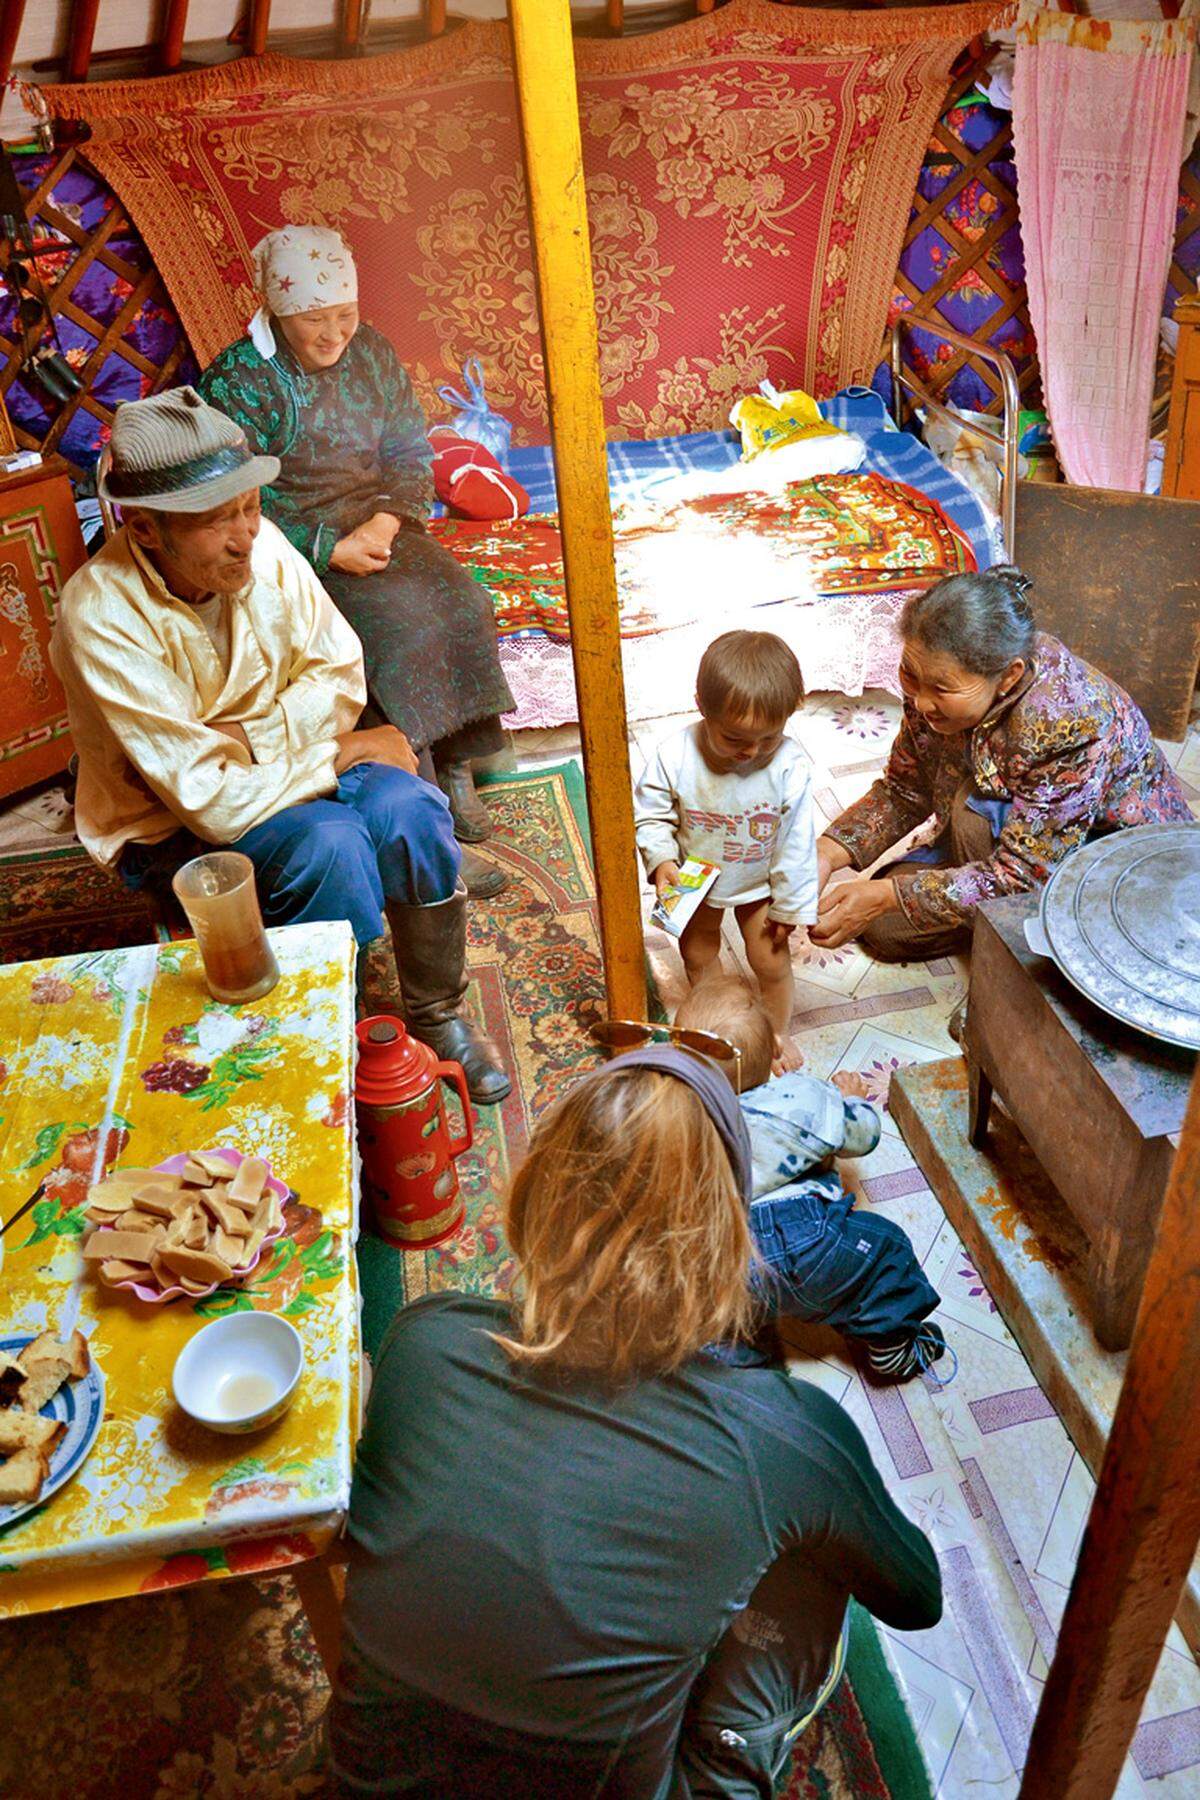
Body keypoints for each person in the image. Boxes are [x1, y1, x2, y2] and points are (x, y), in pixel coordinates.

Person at [330, 1047, 942, 1798]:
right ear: (732, 1244)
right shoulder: (786, 1434)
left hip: (368, 1787)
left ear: (532, 1198)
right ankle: (723, 1757)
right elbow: (916, 1596)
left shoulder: (425, 1336)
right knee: (811, 1554)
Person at [51, 387, 509, 1104]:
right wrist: (333, 753)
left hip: (274, 770)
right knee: (332, 843)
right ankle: (339, 1036)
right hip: (172, 820)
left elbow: (339, 673)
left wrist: (248, 736)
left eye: (250, 507)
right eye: (214, 519)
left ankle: (437, 1014)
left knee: (412, 811)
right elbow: (211, 802)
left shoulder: (261, 546)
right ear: (143, 529)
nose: (244, 535)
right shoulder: (98, 615)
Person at [196, 224, 515, 886]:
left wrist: (388, 521)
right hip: (291, 542)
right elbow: (231, 494)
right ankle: (421, 797)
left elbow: (408, 447)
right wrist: (327, 548)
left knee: (463, 601)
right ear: (281, 313)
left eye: (345, 315)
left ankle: (456, 765)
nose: (335, 334)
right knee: (390, 628)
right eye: (316, 319)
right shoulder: (240, 379)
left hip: (377, 520)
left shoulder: (371, 351)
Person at [812, 565, 1193, 962]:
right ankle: (982, 903)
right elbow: (905, 790)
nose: (921, 702)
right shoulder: (930, 679)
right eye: (911, 675)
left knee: (969, 812)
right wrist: (827, 851)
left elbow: (1027, 875)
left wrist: (892, 895)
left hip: (1108, 863)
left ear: (1009, 677)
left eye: (941, 688)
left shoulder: (1067, 722)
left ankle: (1018, 941)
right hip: (1017, 837)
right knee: (883, 929)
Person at [675, 977, 948, 1384]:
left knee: (710, 1305)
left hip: (730, 1260)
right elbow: (864, 1136)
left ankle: (731, 1364)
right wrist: (850, 1099)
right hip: (812, 1242)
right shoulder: (802, 1097)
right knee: (888, 1251)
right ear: (777, 1051)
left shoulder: (681, 1121)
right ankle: (892, 1346)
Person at [634, 631, 817, 1062]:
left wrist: (791, 905)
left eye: (769, 738)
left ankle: (773, 1036)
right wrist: (660, 859)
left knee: (771, 962)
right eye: (734, 738)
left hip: (760, 885)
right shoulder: (674, 755)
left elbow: (796, 843)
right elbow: (652, 815)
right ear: (702, 707)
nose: (751, 752)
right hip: (697, 882)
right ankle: (718, 1031)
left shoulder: (790, 766)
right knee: (699, 956)